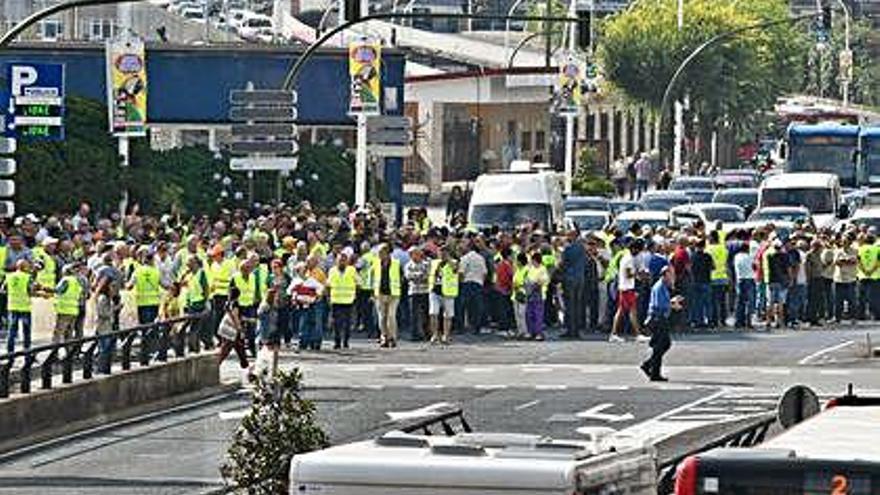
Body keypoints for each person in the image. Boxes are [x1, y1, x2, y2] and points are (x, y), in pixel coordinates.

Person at [640, 266, 683, 382]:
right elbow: (659, 305)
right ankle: (654, 372)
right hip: (657, 319)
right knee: (660, 346)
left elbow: (664, 302)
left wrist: (673, 301)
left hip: (660, 319)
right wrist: (673, 305)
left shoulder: (663, 286)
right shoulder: (660, 287)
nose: (673, 277)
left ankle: (648, 365)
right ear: (665, 274)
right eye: (671, 274)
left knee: (663, 345)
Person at [610, 239, 647, 342]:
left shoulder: (628, 257)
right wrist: (639, 275)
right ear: (634, 249)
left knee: (622, 311)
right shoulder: (628, 259)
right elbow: (628, 274)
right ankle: (637, 334)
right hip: (627, 288)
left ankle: (614, 333)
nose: (639, 252)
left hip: (625, 287)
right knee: (631, 311)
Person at [217, 287, 250, 382]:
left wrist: (248, 320)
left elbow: (236, 315)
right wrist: (240, 329)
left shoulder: (228, 303)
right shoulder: (235, 304)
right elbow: (235, 316)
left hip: (225, 327)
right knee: (226, 350)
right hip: (231, 330)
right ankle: (215, 368)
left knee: (239, 349)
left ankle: (248, 371)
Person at [327, 252, 358, 349]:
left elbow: (359, 282)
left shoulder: (352, 270)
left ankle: (346, 341)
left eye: (344, 260)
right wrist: (328, 297)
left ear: (347, 261)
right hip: (336, 300)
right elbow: (328, 284)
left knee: (347, 323)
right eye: (340, 260)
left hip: (348, 300)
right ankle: (337, 341)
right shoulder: (332, 271)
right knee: (336, 323)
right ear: (336, 261)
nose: (342, 262)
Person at [373, 244, 402, 348]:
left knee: (391, 316)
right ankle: (384, 336)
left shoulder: (396, 263)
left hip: (393, 294)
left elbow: (401, 277)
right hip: (380, 293)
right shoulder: (376, 263)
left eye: (381, 252)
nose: (379, 255)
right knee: (382, 317)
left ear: (387, 253)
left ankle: (392, 337)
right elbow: (373, 277)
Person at [429, 248, 459, 344]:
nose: (442, 255)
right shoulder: (434, 263)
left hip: (448, 292)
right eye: (440, 253)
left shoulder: (454, 262)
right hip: (435, 290)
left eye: (444, 253)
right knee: (433, 313)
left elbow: (455, 270)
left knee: (448, 315)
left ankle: (446, 335)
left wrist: (448, 260)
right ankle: (435, 335)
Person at [560, 230, 586, 339]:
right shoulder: (581, 248)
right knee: (577, 304)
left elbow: (564, 263)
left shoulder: (568, 249)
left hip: (570, 278)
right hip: (580, 278)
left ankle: (571, 330)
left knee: (570, 305)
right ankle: (576, 330)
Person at [459, 241, 488, 335]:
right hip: (478, 283)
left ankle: (464, 326)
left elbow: (461, 272)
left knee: (465, 306)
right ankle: (476, 327)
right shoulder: (481, 258)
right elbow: (484, 273)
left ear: (468, 247)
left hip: (467, 283)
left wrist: (460, 282)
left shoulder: (465, 258)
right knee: (477, 306)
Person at [404, 246, 431, 341]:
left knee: (426, 314)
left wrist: (416, 276)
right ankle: (414, 335)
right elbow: (408, 276)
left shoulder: (426, 264)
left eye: (415, 253)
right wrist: (419, 275)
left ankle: (427, 334)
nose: (413, 256)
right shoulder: (408, 265)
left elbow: (428, 275)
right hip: (413, 292)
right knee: (413, 315)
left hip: (425, 291)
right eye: (411, 254)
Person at [53, 264, 83, 344]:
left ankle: (54, 353)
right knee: (69, 333)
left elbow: (58, 290)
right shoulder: (77, 281)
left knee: (58, 332)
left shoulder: (66, 280)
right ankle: (70, 353)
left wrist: (44, 288)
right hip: (74, 310)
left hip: (64, 310)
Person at [833, 235, 859, 324]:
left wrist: (844, 261)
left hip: (850, 278)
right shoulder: (838, 251)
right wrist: (846, 261)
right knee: (838, 300)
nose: (843, 243)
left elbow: (854, 261)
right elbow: (837, 262)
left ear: (850, 242)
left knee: (852, 300)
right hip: (839, 279)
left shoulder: (855, 251)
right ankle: (837, 318)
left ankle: (853, 318)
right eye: (842, 241)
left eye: (845, 241)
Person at [525, 252, 550, 340]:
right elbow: (527, 278)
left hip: (539, 294)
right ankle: (531, 331)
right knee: (529, 313)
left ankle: (538, 333)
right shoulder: (531, 269)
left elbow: (545, 280)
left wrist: (537, 282)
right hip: (530, 293)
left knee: (538, 314)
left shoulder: (542, 269)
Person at [733, 243, 755, 329]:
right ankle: (748, 321)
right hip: (749, 279)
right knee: (750, 301)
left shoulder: (736, 257)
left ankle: (739, 321)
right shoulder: (750, 257)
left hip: (739, 279)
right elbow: (754, 266)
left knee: (740, 301)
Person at [510, 252, 529, 338]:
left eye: (517, 260)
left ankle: (525, 331)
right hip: (515, 294)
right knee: (517, 314)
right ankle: (520, 331)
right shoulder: (517, 270)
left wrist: (519, 285)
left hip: (523, 294)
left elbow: (528, 282)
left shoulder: (527, 270)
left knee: (522, 313)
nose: (516, 262)